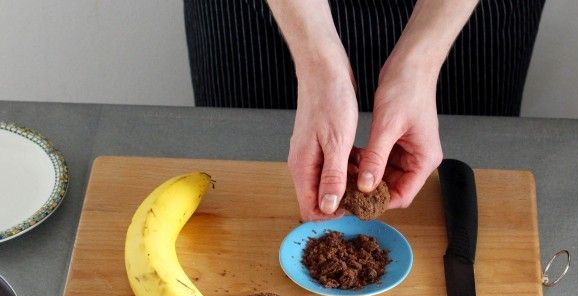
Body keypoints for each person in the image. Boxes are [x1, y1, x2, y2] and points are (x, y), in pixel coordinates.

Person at [184, 0, 545, 221]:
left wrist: (422, 60)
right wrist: (315, 59)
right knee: (240, 166)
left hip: (461, 15)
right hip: (263, 15)